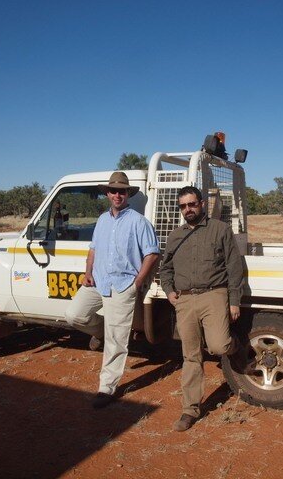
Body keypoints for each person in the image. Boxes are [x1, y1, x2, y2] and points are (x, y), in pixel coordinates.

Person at [65, 171, 160, 409]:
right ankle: (100, 333)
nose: (117, 195)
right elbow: (93, 249)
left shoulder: (139, 222)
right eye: (113, 190)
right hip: (98, 281)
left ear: (128, 194)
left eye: (122, 191)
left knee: (116, 340)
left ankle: (106, 388)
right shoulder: (102, 220)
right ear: (107, 194)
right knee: (74, 315)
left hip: (122, 284)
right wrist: (88, 273)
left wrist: (137, 282)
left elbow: (152, 254)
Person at [160, 186, 246, 431]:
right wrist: (169, 291)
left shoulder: (220, 230)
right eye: (183, 206)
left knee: (219, 345)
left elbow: (233, 266)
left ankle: (236, 346)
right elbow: (165, 269)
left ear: (201, 204)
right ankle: (190, 410)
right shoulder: (175, 236)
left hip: (214, 295)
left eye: (192, 204)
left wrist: (234, 300)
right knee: (191, 355)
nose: (188, 209)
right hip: (185, 300)